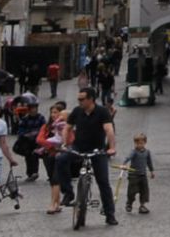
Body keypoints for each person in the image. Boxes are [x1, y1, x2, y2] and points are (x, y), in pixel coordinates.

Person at [65, 87, 118, 225]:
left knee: (103, 182)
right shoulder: (77, 111)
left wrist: (112, 148)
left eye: (82, 99)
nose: (79, 101)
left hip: (97, 150)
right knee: (61, 160)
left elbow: (109, 129)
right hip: (79, 147)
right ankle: (68, 193)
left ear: (91, 99)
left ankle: (110, 214)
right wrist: (65, 144)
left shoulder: (102, 112)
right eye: (78, 99)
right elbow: (67, 127)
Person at [123, 133, 154, 215]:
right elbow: (128, 157)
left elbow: (149, 162)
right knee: (131, 191)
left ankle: (142, 206)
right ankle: (129, 203)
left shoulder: (147, 152)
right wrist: (124, 164)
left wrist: (152, 171)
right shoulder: (134, 152)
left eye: (141, 143)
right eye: (137, 143)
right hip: (133, 175)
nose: (139, 145)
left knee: (144, 191)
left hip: (143, 175)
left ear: (145, 143)